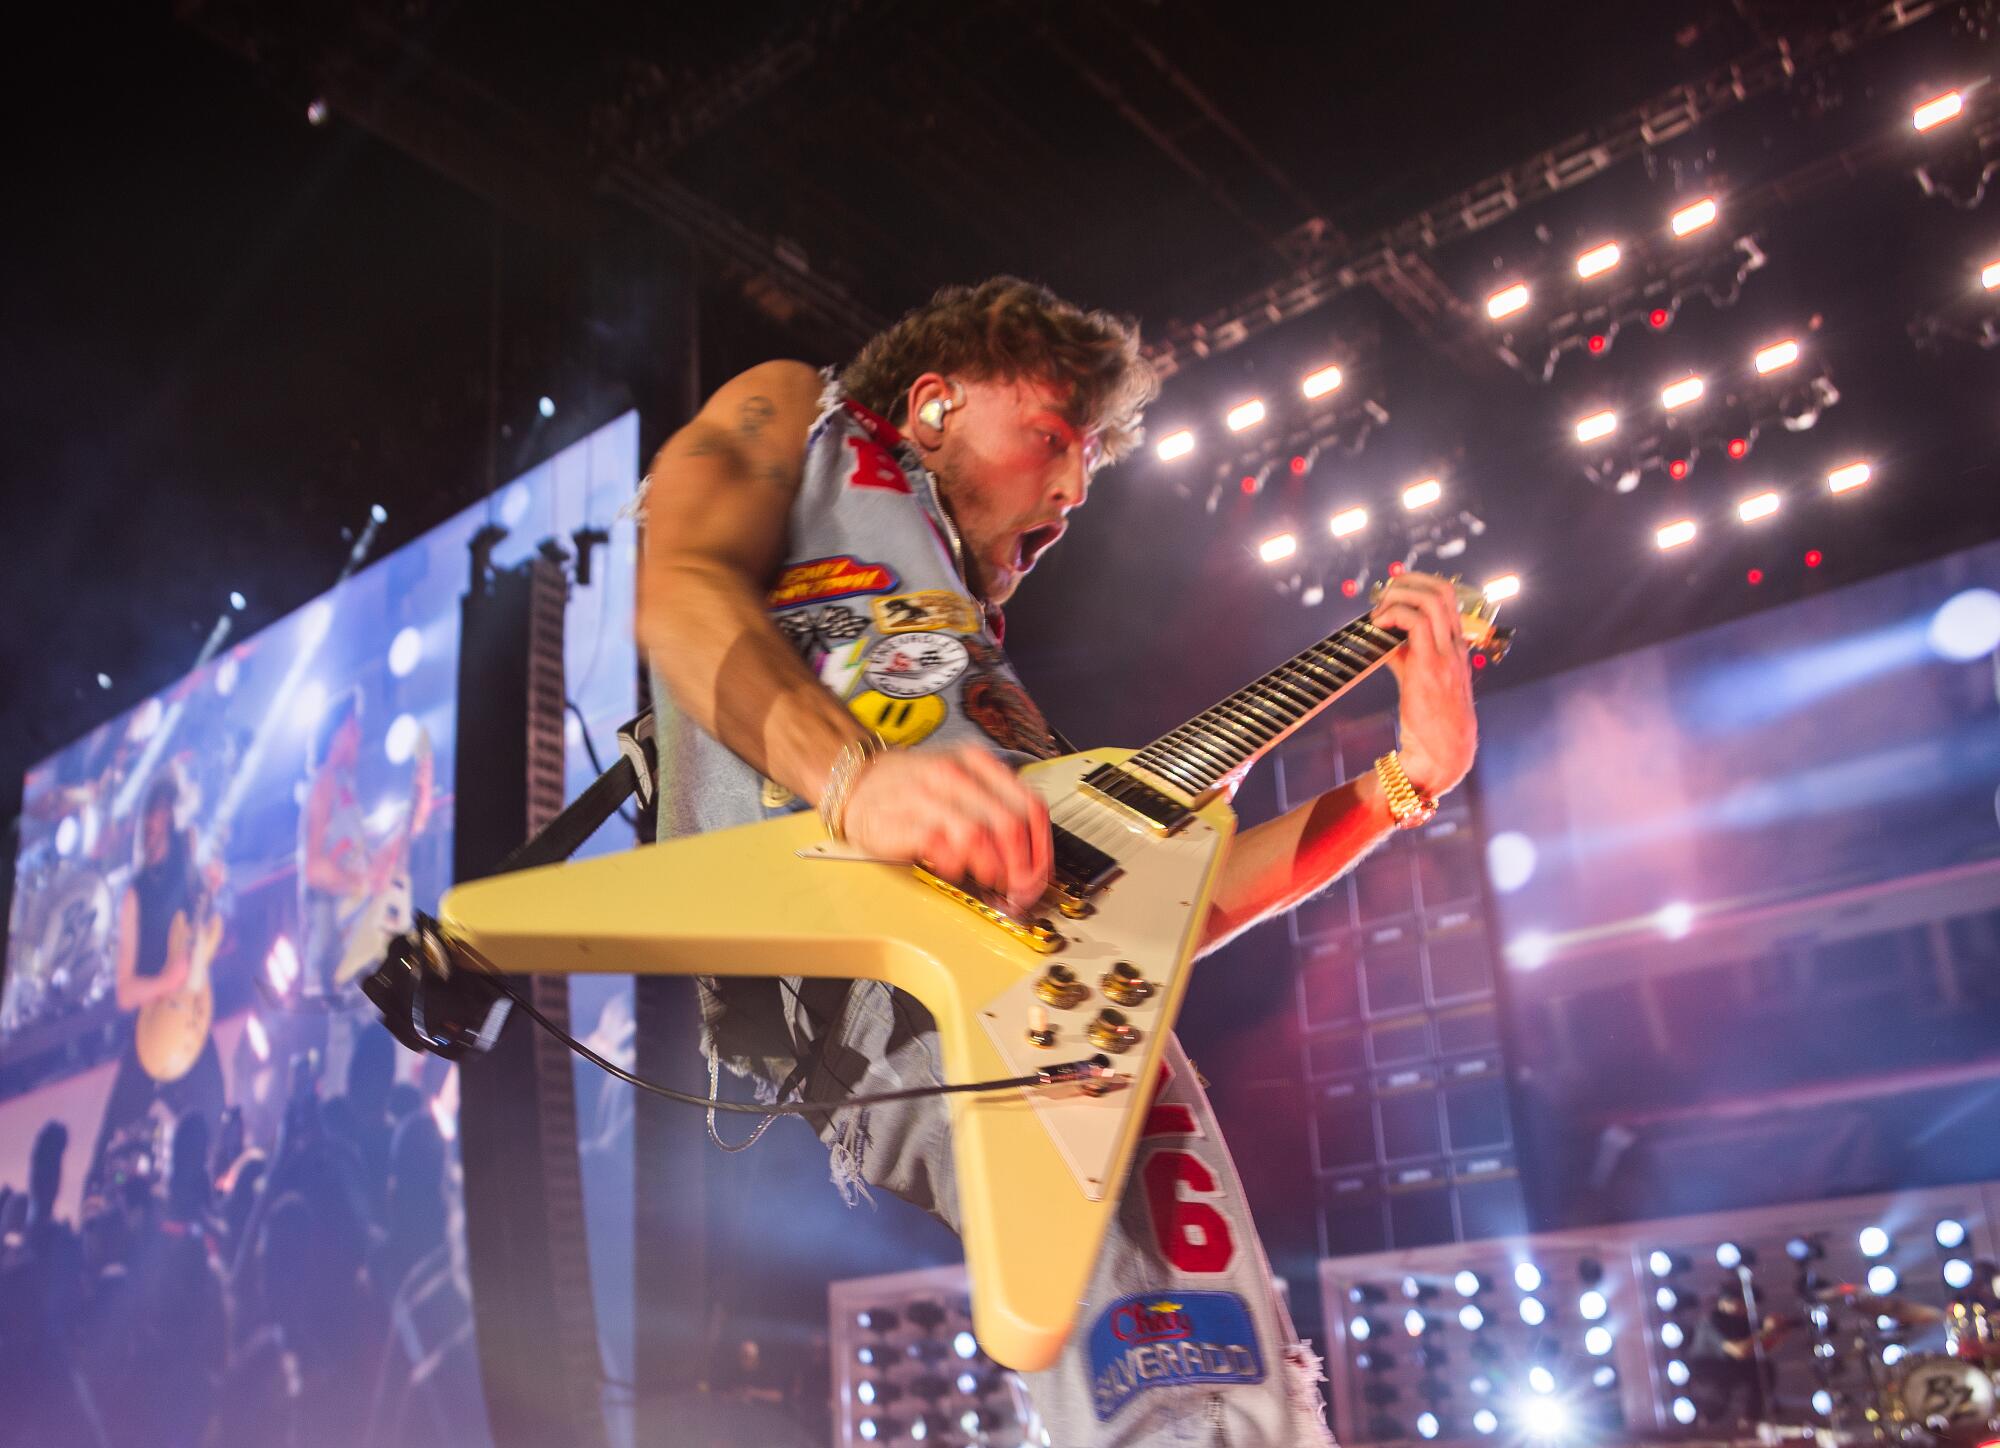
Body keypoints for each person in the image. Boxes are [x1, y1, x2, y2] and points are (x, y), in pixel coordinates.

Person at [637, 276, 1479, 1446]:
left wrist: (1402, 783)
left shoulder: (981, 685)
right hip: (846, 931)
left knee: (1203, 1359)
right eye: (1050, 436)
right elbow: (679, 590)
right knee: (1191, 1384)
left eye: (1086, 461)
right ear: (931, 404)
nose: (1075, 489)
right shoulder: (796, 411)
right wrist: (853, 780)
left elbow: (1161, 922)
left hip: (1002, 985)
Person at [86, 777, 226, 1195]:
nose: (156, 826)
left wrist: (214, 893)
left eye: (164, 816)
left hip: (191, 1026)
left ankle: (206, 1203)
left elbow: (207, 940)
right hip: (151, 1030)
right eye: (151, 818)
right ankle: (96, 1202)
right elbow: (124, 992)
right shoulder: (135, 894)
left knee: (215, 1125)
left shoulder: (192, 879)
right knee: (110, 1145)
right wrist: (167, 980)